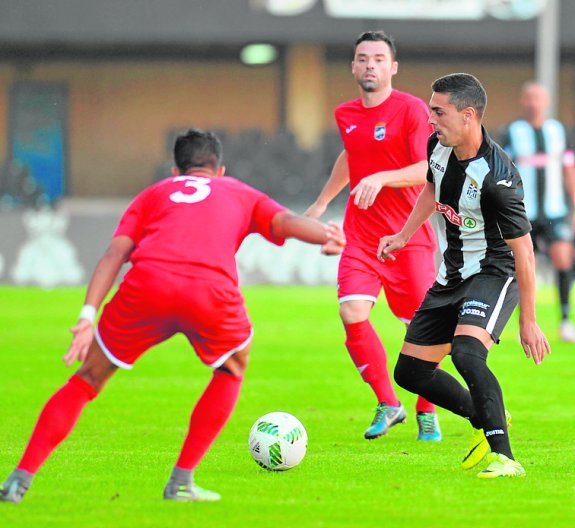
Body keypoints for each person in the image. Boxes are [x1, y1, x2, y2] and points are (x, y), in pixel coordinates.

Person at [0, 128, 345, 504]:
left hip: (147, 286)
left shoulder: (153, 195)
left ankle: (20, 479)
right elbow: (285, 223)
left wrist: (87, 316)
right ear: (220, 168)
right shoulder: (237, 190)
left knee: (86, 380)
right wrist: (324, 235)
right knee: (232, 367)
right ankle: (181, 482)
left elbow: (113, 255)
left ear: (174, 170)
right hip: (209, 292)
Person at [378, 73, 551, 478]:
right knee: (409, 372)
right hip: (451, 275)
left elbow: (524, 251)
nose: (430, 120)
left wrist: (529, 320)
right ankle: (486, 415)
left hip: (494, 272)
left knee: (467, 354)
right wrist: (404, 234)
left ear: (468, 115)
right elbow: (432, 188)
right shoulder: (438, 147)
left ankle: (506, 458)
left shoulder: (497, 177)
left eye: (438, 112)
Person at [305, 30, 441, 441]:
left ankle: (426, 408)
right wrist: (320, 203)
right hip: (360, 237)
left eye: (379, 59)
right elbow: (352, 155)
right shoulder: (346, 114)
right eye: (363, 58)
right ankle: (388, 402)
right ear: (352, 66)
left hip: (408, 235)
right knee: (351, 312)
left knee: (422, 330)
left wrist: (381, 178)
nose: (370, 65)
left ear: (393, 67)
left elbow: (427, 169)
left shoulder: (413, 111)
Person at [500, 81, 575, 342]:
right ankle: (526, 322)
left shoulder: (560, 131)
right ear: (523, 100)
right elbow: (505, 171)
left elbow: (569, 170)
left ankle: (565, 319)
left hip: (555, 210)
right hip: (524, 212)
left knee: (563, 259)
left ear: (546, 101)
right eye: (529, 98)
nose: (534, 103)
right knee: (522, 264)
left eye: (538, 98)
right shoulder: (512, 131)